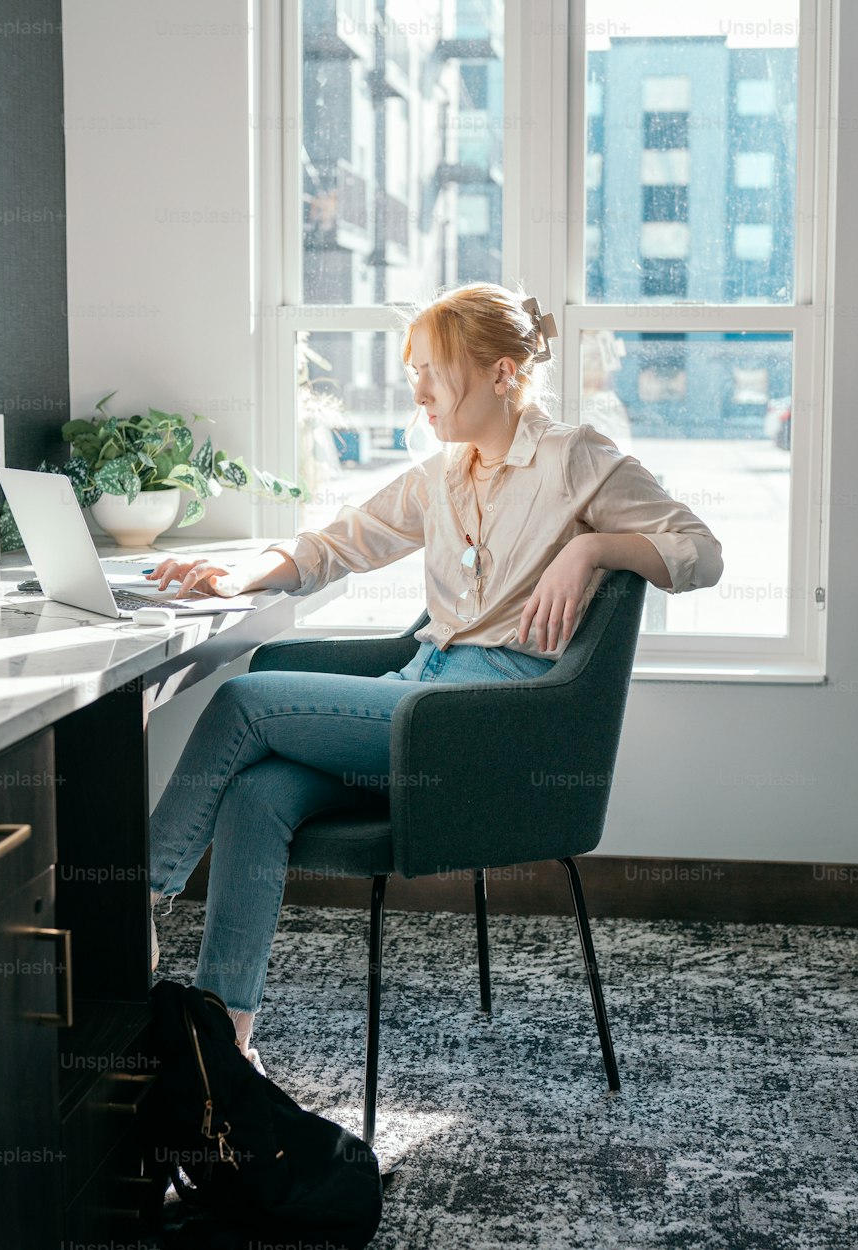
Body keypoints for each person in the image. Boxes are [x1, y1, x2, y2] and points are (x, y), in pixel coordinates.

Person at [145, 282, 723, 1069]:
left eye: (431, 370)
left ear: (503, 373)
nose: (413, 389)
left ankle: (139, 895)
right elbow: (337, 543)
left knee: (245, 700)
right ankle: (226, 1045)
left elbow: (701, 550)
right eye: (412, 369)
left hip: (483, 726)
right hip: (419, 695)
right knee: (256, 795)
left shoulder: (573, 458)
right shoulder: (444, 473)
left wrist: (592, 548)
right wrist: (236, 577)